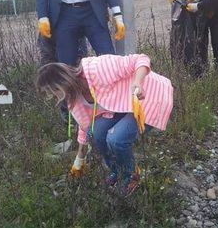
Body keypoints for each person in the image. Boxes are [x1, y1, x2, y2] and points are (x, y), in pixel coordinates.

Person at [36, 54, 174, 196]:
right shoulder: (73, 100)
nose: (55, 98)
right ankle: (117, 172)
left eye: (53, 93)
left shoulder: (96, 68)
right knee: (96, 134)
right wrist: (79, 159)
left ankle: (131, 176)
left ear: (62, 83)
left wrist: (138, 82)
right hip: (123, 105)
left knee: (116, 139)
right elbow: (86, 127)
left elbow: (141, 59)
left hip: (148, 97)